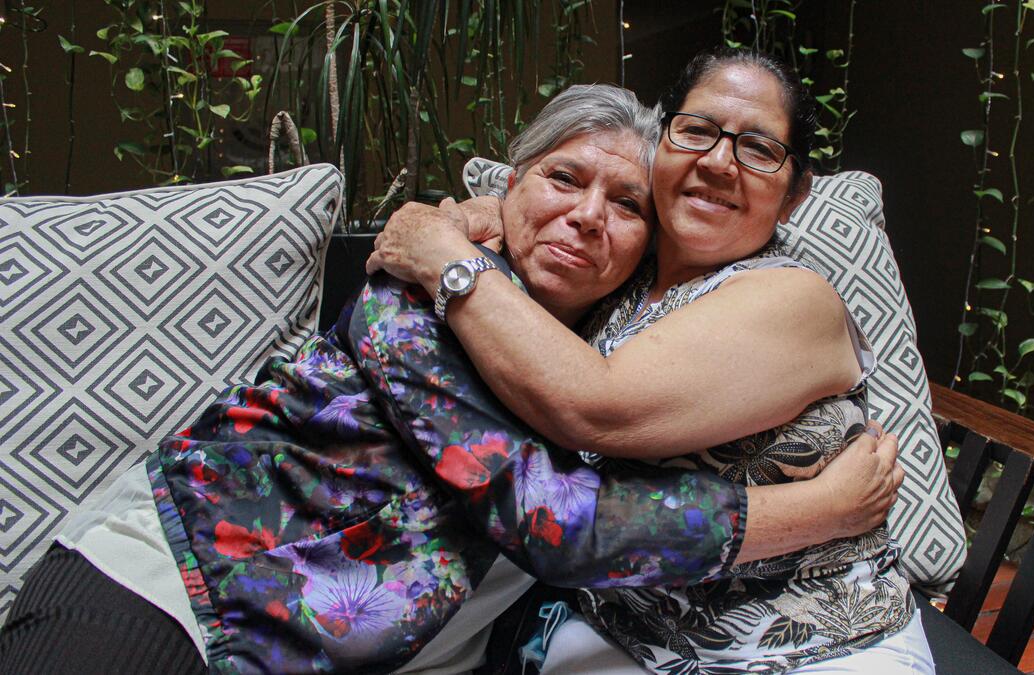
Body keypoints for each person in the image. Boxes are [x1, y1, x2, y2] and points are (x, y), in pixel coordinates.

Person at [0, 83, 902, 674]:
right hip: (184, 595)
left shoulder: (623, 346)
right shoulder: (417, 298)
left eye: (627, 204)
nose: (588, 216)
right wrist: (817, 511)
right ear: (507, 191)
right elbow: (558, 521)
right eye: (562, 179)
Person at [367, 50, 934, 673]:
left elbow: (596, 407)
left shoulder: (795, 297)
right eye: (697, 131)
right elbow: (544, 221)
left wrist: (444, 254)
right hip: (622, 635)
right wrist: (472, 217)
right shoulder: (619, 271)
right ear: (664, 147)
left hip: (813, 649)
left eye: (759, 149)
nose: (719, 163)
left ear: (794, 195)